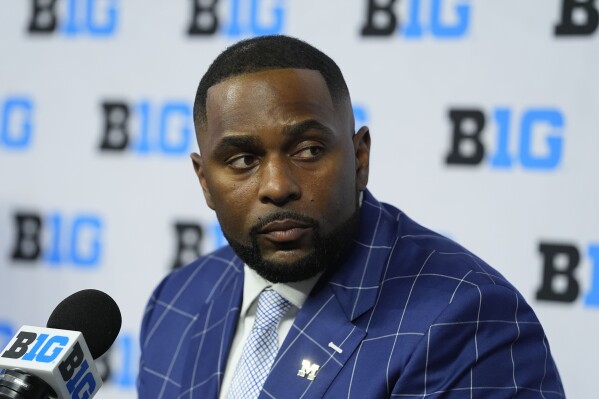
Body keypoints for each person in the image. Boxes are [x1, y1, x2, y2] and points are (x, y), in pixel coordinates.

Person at [137, 35, 565, 398]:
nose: (277, 185)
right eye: (243, 159)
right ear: (205, 181)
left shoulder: (467, 319)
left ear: (360, 158)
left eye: (308, 150)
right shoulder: (177, 299)